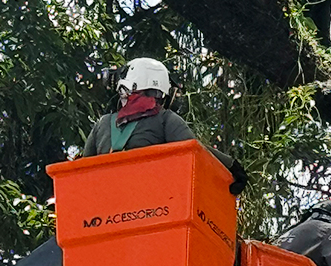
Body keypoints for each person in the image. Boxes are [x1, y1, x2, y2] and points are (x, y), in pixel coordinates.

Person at [82, 57, 248, 195]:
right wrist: (232, 167)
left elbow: (80, 173)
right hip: (149, 204)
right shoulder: (166, 119)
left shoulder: (103, 124)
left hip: (104, 207)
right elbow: (195, 151)